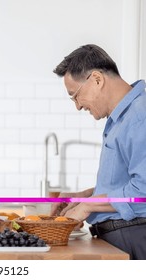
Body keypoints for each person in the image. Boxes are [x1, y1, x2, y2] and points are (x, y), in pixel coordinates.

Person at [51, 44, 146, 260]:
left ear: (96, 79)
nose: (77, 106)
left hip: (135, 237)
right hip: (122, 237)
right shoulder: (121, 119)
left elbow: (143, 190)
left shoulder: (140, 116)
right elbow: (131, 181)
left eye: (75, 95)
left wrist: (88, 207)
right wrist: (85, 196)